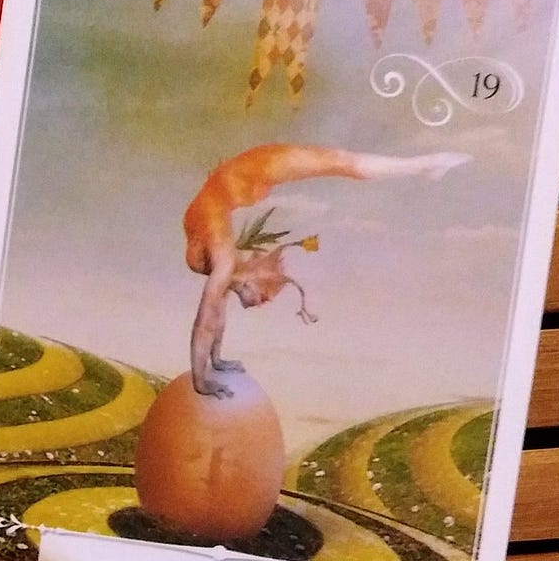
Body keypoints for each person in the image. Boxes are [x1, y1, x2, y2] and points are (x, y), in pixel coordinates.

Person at [183, 142, 470, 398]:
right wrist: (215, 361)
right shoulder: (225, 263)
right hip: (250, 173)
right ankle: (425, 165)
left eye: (261, 298)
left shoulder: (223, 256)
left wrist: (201, 381)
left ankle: (427, 164)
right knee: (340, 163)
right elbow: (216, 313)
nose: (257, 304)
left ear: (250, 283)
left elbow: (206, 320)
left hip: (261, 166)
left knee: (341, 162)